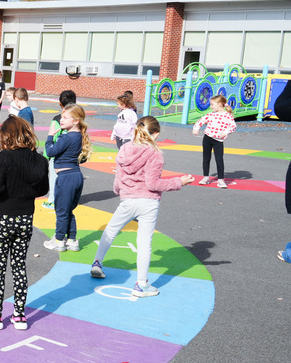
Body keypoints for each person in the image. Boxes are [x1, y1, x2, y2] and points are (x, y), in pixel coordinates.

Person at [90, 116, 194, 296]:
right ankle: (141, 284)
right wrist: (180, 182)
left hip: (128, 199)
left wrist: (121, 191)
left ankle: (97, 262)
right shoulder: (155, 153)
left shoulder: (124, 149)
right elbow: (153, 184)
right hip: (148, 202)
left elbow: (118, 181)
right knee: (144, 243)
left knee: (111, 230)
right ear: (156, 134)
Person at [0, 116, 49, 331]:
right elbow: (43, 190)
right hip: (25, 218)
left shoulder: (4, 158)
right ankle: (19, 315)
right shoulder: (38, 160)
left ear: (5, 136)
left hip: (3, 217)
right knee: (19, 266)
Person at [43, 104, 92, 252]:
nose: (61, 120)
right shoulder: (78, 135)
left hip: (66, 178)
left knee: (61, 211)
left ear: (76, 120)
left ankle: (58, 241)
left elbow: (50, 151)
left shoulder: (66, 137)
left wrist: (50, 136)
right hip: (75, 176)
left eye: (65, 118)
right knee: (68, 210)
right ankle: (72, 240)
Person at [41, 90, 76, 209]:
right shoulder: (77, 119)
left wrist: (47, 155)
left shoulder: (57, 119)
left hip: (57, 154)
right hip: (71, 155)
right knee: (68, 179)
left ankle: (53, 200)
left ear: (60, 103)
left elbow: (53, 136)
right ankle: (67, 199)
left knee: (54, 178)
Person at [193, 94, 237, 188]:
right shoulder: (210, 115)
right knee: (206, 158)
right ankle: (205, 177)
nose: (211, 106)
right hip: (207, 138)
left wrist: (225, 132)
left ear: (220, 104)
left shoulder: (227, 116)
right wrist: (196, 128)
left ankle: (220, 180)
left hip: (218, 141)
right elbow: (200, 121)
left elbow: (233, 126)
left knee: (219, 159)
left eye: (212, 104)